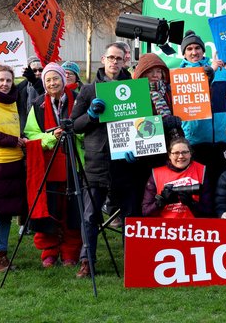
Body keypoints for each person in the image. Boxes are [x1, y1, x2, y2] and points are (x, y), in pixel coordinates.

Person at [71, 42, 132, 278]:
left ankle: (132, 259)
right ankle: (87, 261)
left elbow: (144, 122)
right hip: (97, 160)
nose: (115, 62)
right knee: (90, 215)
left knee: (128, 213)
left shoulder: (133, 87)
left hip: (125, 162)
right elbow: (74, 126)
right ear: (103, 59)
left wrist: (137, 147)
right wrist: (90, 115)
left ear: (124, 61)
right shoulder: (88, 91)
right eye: (111, 58)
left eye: (119, 59)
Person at [24, 63, 82, 268]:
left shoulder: (77, 99)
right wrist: (51, 136)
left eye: (55, 78)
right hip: (48, 166)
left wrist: (75, 131)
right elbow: (30, 135)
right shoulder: (38, 104)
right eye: (48, 80)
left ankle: (70, 252)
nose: (52, 83)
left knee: (73, 211)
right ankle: (49, 252)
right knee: (50, 209)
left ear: (63, 80)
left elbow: (86, 127)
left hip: (75, 163)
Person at [179, 30, 226, 185]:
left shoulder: (220, 71)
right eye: (189, 49)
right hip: (194, 141)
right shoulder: (181, 74)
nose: (194, 52)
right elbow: (196, 85)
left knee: (220, 184)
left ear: (203, 51)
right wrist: (211, 69)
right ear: (184, 54)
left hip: (219, 139)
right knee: (198, 185)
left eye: (197, 48)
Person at [123, 53, 184, 214]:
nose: (156, 75)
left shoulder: (170, 92)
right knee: (143, 196)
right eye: (151, 71)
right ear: (142, 73)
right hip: (143, 156)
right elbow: (132, 123)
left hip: (167, 152)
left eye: (159, 71)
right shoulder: (135, 94)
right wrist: (163, 123)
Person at [0, 65, 26, 272]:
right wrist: (12, 141)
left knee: (5, 214)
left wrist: (21, 141)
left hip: (13, 165)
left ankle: (2, 254)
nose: (5, 84)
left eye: (9, 80)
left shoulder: (13, 101)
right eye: (1, 80)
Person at [141, 138, 212, 218]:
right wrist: (161, 201)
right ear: (169, 155)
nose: (181, 156)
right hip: (165, 227)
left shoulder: (201, 170)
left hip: (194, 227)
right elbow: (146, 212)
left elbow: (208, 211)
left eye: (185, 152)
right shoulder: (156, 174)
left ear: (190, 153)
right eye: (176, 153)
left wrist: (191, 203)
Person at [17, 56, 45, 132]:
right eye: (34, 70)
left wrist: (34, 81)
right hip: (26, 126)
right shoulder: (21, 87)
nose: (38, 73)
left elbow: (46, 94)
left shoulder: (49, 84)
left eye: (40, 70)